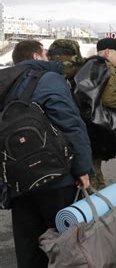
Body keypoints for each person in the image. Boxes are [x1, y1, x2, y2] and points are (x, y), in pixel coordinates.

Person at [8, 40, 93, 268]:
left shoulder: (3, 83)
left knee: (28, 245)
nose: (48, 58)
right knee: (65, 242)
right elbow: (71, 125)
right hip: (55, 177)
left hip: (17, 180)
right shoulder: (48, 79)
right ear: (36, 56)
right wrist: (83, 168)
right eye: (45, 54)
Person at [91, 38, 116, 189]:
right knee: (94, 171)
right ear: (107, 52)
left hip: (86, 123)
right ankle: (94, 205)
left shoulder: (91, 65)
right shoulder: (107, 68)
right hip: (97, 125)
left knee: (92, 166)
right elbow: (109, 99)